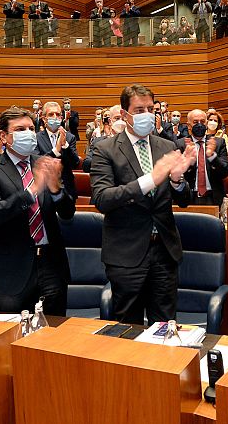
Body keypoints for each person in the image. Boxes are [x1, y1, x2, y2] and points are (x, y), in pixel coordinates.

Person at [90, 84, 196, 325]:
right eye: (139, 110)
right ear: (124, 114)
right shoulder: (105, 149)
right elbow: (102, 198)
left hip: (164, 251)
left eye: (150, 109)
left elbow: (184, 201)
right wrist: (150, 180)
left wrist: (177, 180)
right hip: (126, 253)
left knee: (165, 327)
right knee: (129, 329)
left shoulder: (167, 146)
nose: (147, 115)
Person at [0, 107, 75, 315]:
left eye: (30, 128)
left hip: (50, 264)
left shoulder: (44, 163)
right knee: (13, 330)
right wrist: (32, 191)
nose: (28, 133)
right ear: (4, 136)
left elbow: (67, 213)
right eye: (20, 129)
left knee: (55, 328)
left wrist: (56, 190)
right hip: (11, 266)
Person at [183, 109, 228, 207]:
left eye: (202, 121)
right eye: (195, 122)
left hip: (213, 198)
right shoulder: (181, 144)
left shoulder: (218, 143)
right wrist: (188, 162)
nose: (199, 125)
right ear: (189, 125)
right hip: (189, 198)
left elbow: (225, 172)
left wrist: (212, 156)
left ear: (206, 123)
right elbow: (178, 176)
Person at [37, 101, 80, 199]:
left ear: (61, 117)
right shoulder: (36, 138)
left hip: (67, 190)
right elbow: (37, 163)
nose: (55, 117)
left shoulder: (70, 137)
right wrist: (56, 151)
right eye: (51, 114)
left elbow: (75, 163)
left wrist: (65, 146)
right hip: (43, 190)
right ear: (44, 119)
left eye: (58, 114)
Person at [83, 105, 123, 172]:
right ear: (110, 121)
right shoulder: (98, 142)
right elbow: (86, 165)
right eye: (117, 118)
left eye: (123, 118)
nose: (120, 121)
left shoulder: (133, 140)